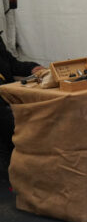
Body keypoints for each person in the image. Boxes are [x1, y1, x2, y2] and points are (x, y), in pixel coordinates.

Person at [0, 34, 44, 181]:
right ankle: (13, 173)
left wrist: (32, 68)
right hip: (3, 101)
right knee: (10, 122)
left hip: (7, 94)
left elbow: (12, 64)